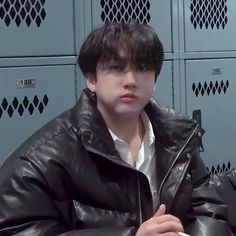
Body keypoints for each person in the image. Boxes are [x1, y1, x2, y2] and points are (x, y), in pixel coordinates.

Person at [0, 22, 230, 236]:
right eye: (117, 68)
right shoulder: (40, 160)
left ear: (155, 79)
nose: (131, 80)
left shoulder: (178, 138)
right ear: (91, 79)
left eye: (142, 68)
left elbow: (208, 207)